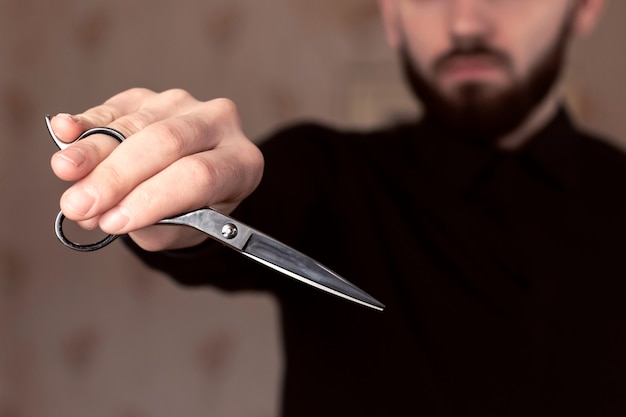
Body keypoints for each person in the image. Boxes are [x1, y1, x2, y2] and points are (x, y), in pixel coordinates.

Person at [49, 0, 626, 415]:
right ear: (392, 16)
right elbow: (238, 212)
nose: (465, 20)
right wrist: (180, 187)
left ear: (586, 7)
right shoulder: (322, 172)